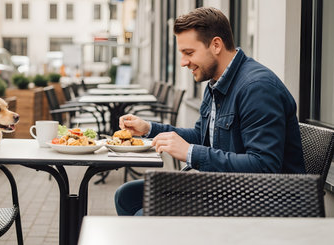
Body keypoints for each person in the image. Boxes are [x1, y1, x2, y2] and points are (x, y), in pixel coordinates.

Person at [114, 7, 305, 216]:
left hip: (262, 203)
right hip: (226, 190)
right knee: (127, 196)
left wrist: (190, 153)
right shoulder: (216, 82)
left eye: (189, 53)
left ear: (216, 45)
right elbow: (202, 137)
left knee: (145, 214)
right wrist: (149, 129)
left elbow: (264, 167)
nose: (183, 62)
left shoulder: (257, 88)